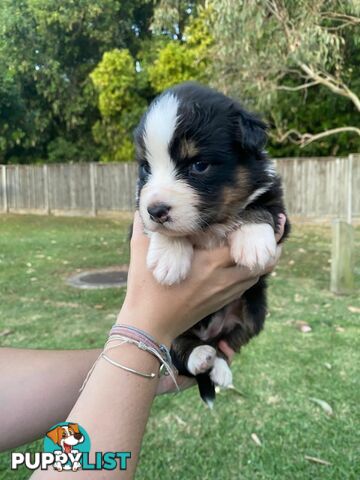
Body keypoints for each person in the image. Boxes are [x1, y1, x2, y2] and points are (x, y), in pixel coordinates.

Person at [0, 213, 286, 478]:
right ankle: (188, 351)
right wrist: (144, 332)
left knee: (249, 317)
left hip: (218, 323)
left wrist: (154, 367)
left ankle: (200, 356)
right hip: (185, 330)